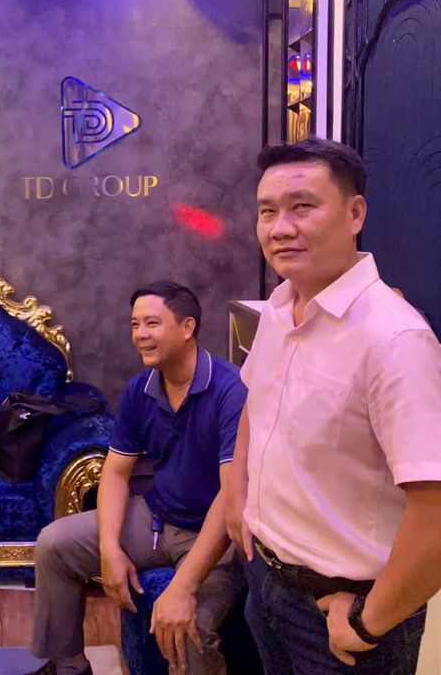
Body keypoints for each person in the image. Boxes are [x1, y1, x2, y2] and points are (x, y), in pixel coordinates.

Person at [198, 139, 441, 673]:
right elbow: (256, 402)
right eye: (267, 212)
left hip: (344, 610)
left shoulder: (395, 339)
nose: (280, 228)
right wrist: (238, 489)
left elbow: (435, 508)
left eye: (302, 207)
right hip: (267, 580)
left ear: (355, 214)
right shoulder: (279, 307)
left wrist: (369, 622)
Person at [27, 282, 245, 675]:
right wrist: (110, 549)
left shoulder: (231, 389)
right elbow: (115, 472)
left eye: (152, 323)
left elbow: (231, 495)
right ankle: (69, 667)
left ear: (187, 327)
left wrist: (182, 588)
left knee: (188, 627)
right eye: (135, 324)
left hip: (215, 535)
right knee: (54, 544)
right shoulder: (141, 388)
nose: (140, 335)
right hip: (157, 519)